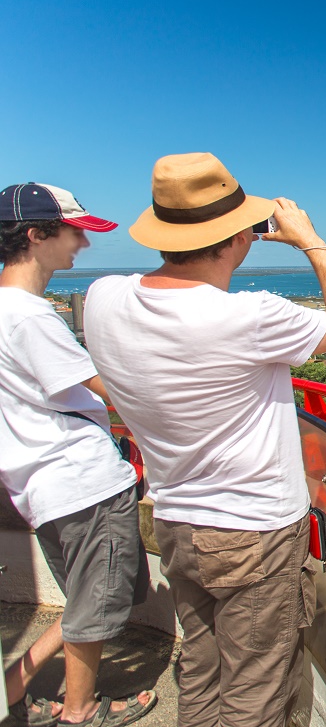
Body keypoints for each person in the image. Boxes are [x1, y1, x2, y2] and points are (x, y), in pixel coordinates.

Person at [83, 153, 326, 727]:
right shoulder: (249, 317)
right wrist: (311, 241)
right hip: (256, 534)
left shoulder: (102, 297)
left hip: (178, 523)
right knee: (257, 695)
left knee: (202, 672)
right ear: (240, 237)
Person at [0, 183, 157, 726]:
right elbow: (110, 389)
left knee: (84, 599)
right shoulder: (30, 317)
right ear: (36, 234)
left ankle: (11, 687)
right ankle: (80, 712)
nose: (81, 246)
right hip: (80, 482)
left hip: (39, 483)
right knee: (93, 611)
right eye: (73, 233)